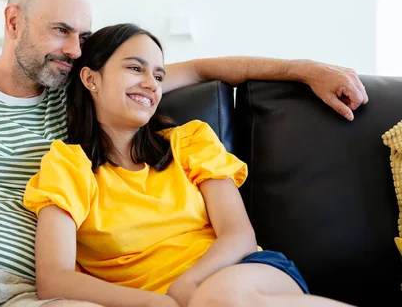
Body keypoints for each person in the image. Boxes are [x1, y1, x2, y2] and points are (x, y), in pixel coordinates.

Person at [0, 0, 367, 307]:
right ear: (14, 21)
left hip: (27, 293)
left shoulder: (86, 96)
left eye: (83, 37)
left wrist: (304, 69)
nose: (74, 49)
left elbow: (203, 69)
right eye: (62, 31)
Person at [23, 23, 353, 307]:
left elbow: (238, 235)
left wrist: (188, 286)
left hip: (245, 273)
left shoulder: (188, 141)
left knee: (216, 298)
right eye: (135, 69)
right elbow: (55, 279)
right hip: (164, 301)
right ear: (91, 79)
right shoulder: (68, 165)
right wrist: (155, 301)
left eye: (159, 75)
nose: (152, 84)